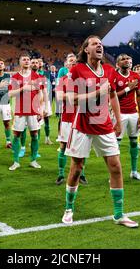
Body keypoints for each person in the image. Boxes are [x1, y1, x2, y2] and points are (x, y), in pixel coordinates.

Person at [62, 35, 138, 228]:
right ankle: (69, 208)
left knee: (116, 167)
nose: (99, 46)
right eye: (95, 43)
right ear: (86, 49)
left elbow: (112, 96)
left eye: (101, 44)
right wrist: (97, 93)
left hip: (104, 125)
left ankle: (119, 214)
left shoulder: (110, 70)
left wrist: (118, 121)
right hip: (82, 126)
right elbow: (72, 100)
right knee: (76, 169)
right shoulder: (77, 70)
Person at [8, 54, 45, 171]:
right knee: (16, 135)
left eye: (28, 59)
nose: (27, 61)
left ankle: (33, 160)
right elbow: (9, 94)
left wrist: (40, 109)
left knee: (34, 135)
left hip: (33, 111)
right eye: (24, 59)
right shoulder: (15, 77)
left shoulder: (36, 76)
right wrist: (22, 89)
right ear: (20, 62)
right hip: (20, 110)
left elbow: (40, 93)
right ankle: (16, 161)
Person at [55, 55, 87, 185]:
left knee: (82, 148)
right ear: (66, 65)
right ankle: (61, 173)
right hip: (67, 118)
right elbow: (59, 97)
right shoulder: (62, 79)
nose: (73, 64)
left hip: (81, 117)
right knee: (63, 146)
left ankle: (82, 174)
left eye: (76, 62)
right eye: (70, 62)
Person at [114, 54, 140, 181]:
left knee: (133, 143)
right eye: (123, 59)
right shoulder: (114, 76)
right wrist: (128, 88)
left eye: (128, 59)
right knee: (116, 145)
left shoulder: (135, 76)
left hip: (133, 113)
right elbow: (113, 96)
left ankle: (134, 171)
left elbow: (139, 96)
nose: (127, 61)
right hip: (119, 114)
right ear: (117, 64)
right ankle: (115, 175)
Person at [37, 58, 53, 145]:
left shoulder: (47, 73)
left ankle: (47, 138)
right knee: (37, 121)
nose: (39, 63)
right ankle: (37, 139)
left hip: (45, 100)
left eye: (40, 62)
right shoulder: (33, 73)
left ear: (43, 63)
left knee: (47, 120)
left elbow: (48, 86)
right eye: (37, 62)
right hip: (37, 102)